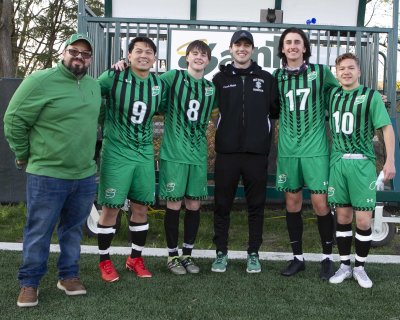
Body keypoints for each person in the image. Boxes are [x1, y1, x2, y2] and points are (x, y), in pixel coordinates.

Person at [4, 33, 101, 307]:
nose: (79, 57)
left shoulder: (94, 86)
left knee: (72, 230)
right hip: (47, 175)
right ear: (63, 52)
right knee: (39, 230)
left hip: (83, 175)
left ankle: (68, 275)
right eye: (74, 51)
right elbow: (14, 120)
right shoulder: (40, 81)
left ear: (90, 59)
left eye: (85, 53)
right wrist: (23, 154)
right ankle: (29, 283)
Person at [96, 37, 166, 282]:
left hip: (144, 153)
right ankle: (104, 261)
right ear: (129, 55)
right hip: (116, 151)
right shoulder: (113, 76)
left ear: (155, 58)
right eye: (138, 51)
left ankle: (135, 258)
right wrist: (104, 123)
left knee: (140, 207)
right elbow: (93, 95)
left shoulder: (158, 83)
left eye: (149, 52)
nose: (144, 55)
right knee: (111, 208)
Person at [273, 27, 339, 279]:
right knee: (292, 203)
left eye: (297, 42)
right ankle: (297, 258)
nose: (292, 46)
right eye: (288, 42)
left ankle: (326, 258)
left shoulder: (320, 72)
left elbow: (341, 93)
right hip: (289, 149)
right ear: (282, 48)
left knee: (321, 204)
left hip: (315, 149)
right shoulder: (277, 76)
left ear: (305, 47)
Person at [211, 30, 278, 273]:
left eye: (246, 45)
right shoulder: (219, 79)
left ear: (252, 49)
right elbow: (212, 113)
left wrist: (262, 137)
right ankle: (221, 253)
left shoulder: (266, 79)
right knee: (222, 205)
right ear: (231, 49)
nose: (242, 49)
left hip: (256, 153)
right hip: (227, 153)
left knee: (256, 206)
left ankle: (253, 253)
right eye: (238, 45)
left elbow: (274, 113)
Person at [327, 53, 395, 288]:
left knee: (364, 220)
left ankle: (360, 268)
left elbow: (386, 129)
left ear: (359, 71)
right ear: (336, 73)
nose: (346, 72)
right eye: (341, 68)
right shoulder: (333, 94)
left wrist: (390, 161)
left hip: (362, 163)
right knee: (343, 217)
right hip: (338, 163)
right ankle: (345, 265)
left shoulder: (370, 96)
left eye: (350, 68)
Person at [158, 40, 216, 275]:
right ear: (187, 58)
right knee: (173, 203)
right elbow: (148, 84)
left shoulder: (211, 88)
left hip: (198, 154)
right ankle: (172, 255)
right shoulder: (174, 77)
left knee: (194, 203)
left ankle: (188, 254)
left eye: (203, 55)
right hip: (174, 153)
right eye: (195, 54)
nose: (199, 58)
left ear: (208, 60)